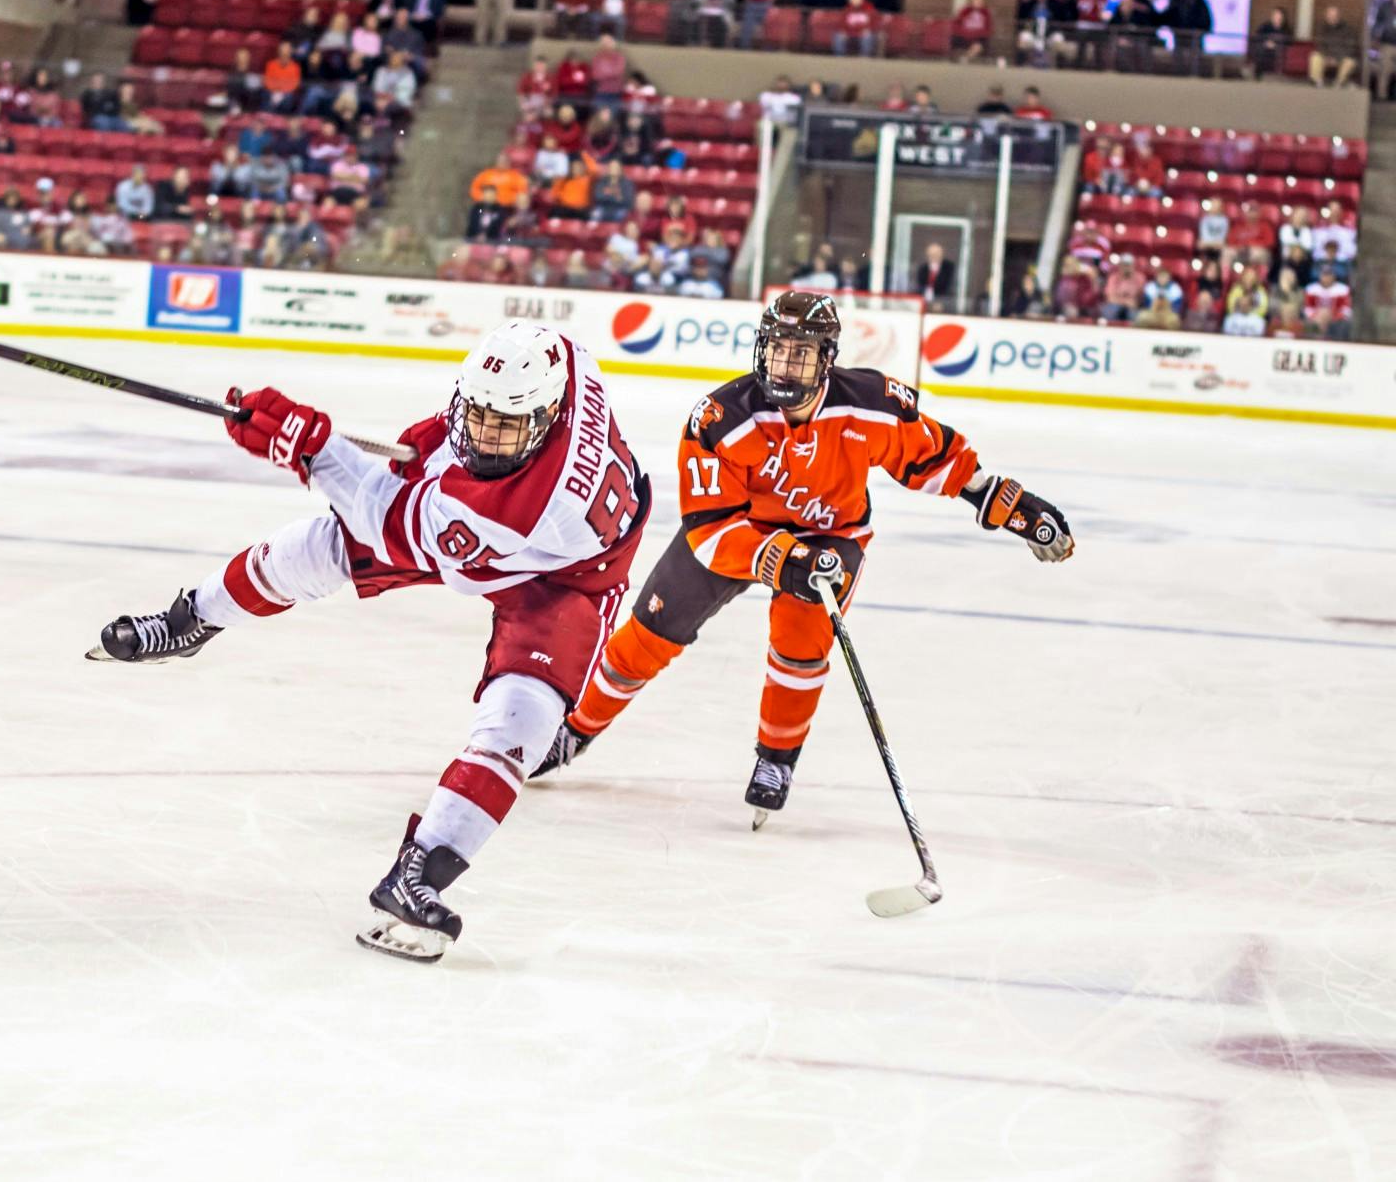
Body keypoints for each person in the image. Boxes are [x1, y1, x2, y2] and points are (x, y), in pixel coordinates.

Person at [89, 321, 648, 962]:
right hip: (481, 517)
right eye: (479, 413)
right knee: (315, 549)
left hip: (570, 576)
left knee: (522, 720)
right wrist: (359, 443)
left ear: (548, 419)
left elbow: (383, 519)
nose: (485, 434)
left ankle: (415, 878)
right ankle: (193, 618)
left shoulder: (523, 504)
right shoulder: (564, 359)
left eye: (506, 425)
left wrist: (312, 452)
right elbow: (462, 436)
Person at [531, 292, 1073, 826]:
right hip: (740, 532)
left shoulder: (871, 404)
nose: (785, 365)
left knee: (799, 647)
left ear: (827, 360)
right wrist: (781, 558)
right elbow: (710, 528)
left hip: (831, 537)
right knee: (652, 628)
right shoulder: (719, 418)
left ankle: (775, 761)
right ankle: (576, 729)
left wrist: (1007, 503)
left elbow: (937, 459)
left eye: (801, 353)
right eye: (777, 350)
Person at [1308, 5, 1358, 88]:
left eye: (1333, 16)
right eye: (1329, 15)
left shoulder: (1348, 29)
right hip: (1327, 56)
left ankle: (1339, 82)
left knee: (1350, 61)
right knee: (1315, 56)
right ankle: (1317, 81)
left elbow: (1351, 48)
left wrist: (1337, 58)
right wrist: (1327, 57)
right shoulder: (1322, 28)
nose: (1331, 17)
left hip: (1341, 57)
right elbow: (1320, 45)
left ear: (1338, 16)